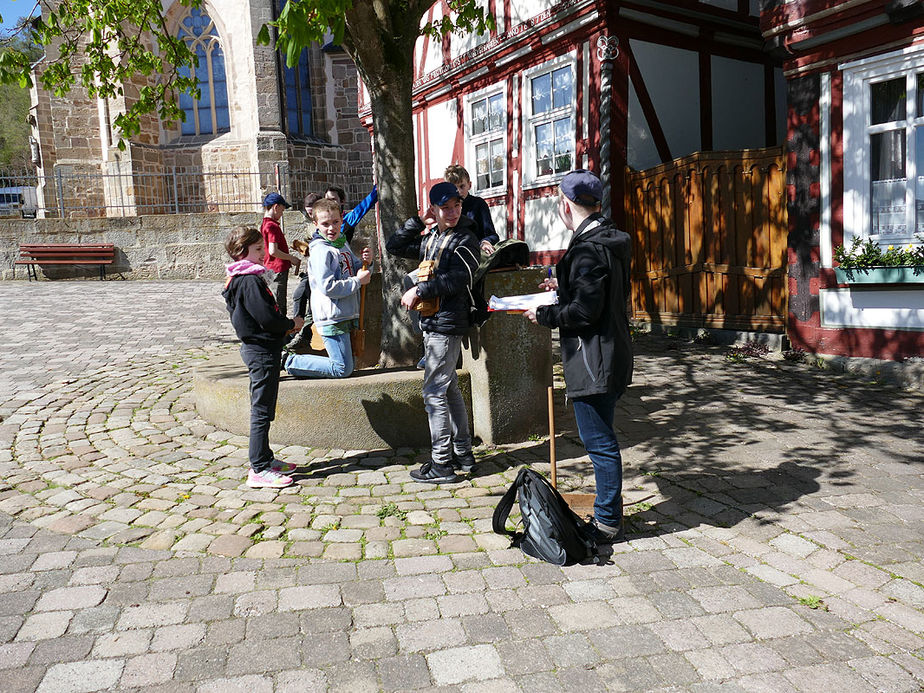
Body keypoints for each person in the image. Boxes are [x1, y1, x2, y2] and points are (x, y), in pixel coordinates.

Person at [523, 169, 633, 543]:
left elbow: (585, 312)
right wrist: (564, 284)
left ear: (565, 206)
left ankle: (606, 522)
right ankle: (610, 514)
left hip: (594, 360)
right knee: (602, 438)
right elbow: (598, 292)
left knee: (600, 443)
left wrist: (543, 314)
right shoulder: (606, 239)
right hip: (611, 353)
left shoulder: (588, 249)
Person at [386, 181, 481, 483]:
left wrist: (420, 289)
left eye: (456, 205)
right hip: (433, 322)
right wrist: (417, 221)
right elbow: (395, 246)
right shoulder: (433, 237)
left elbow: (459, 277)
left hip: (447, 324)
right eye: (445, 207)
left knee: (433, 393)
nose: (452, 212)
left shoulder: (466, 237)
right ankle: (463, 454)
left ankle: (442, 463)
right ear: (435, 209)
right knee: (448, 387)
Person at [222, 225, 305, 488]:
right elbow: (266, 318)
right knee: (261, 410)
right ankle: (258, 468)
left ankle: (265, 458)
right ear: (241, 252)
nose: (262, 254)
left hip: (261, 349)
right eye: (257, 250)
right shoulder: (248, 281)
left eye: (261, 249)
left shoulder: (245, 279)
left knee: (265, 407)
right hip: (260, 351)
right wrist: (291, 323)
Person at [284, 198, 373, 378]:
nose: (331, 228)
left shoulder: (340, 242)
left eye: (335, 222)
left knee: (349, 364)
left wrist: (367, 263)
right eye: (325, 224)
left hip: (346, 312)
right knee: (342, 368)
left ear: (342, 219)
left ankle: (291, 361)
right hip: (332, 316)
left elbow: (355, 267)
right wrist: (357, 281)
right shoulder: (321, 250)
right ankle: (289, 361)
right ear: (315, 224)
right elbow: (328, 287)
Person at [444, 163, 499, 255]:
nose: (459, 191)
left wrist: (485, 242)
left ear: (469, 185)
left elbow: (492, 235)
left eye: (462, 186)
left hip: (475, 253)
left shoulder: (478, 204)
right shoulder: (444, 208)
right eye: (454, 188)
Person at [260, 192, 301, 316]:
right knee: (279, 304)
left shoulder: (264, 224)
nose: (281, 214)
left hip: (270, 268)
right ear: (276, 207)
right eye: (282, 211)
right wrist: (292, 258)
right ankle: (281, 332)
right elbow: (273, 251)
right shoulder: (272, 226)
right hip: (277, 269)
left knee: (275, 301)